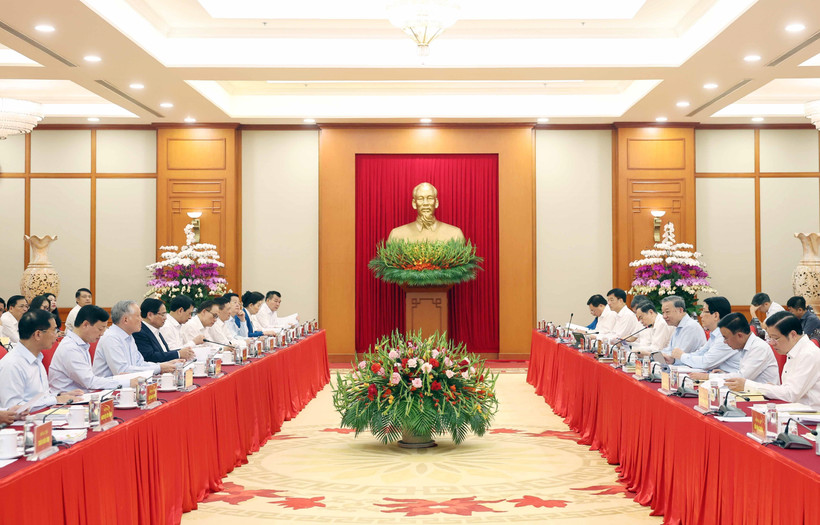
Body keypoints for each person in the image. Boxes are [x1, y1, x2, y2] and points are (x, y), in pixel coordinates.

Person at [725, 312, 820, 409]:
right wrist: (773, 388)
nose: (771, 343)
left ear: (793, 335)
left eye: (775, 338)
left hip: (811, 417)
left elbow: (791, 395)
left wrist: (748, 385)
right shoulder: (794, 350)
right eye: (769, 338)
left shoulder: (808, 354)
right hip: (795, 410)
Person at [0, 309, 81, 410]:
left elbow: (37, 396)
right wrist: (55, 400)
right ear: (38, 334)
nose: (57, 336)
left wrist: (59, 395)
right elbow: (13, 409)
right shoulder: (12, 364)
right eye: (54, 330)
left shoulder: (36, 358)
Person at [49, 305, 136, 392]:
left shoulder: (81, 344)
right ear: (86, 324)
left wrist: (117, 379)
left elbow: (90, 379)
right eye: (100, 329)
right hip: (69, 401)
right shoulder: (70, 348)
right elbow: (90, 382)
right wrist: (125, 382)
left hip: (83, 395)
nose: (102, 334)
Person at [93, 300, 181, 377]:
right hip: (108, 391)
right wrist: (160, 368)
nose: (141, 320)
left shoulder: (129, 336)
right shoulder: (111, 338)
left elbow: (140, 364)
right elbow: (122, 371)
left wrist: (165, 365)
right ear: (126, 320)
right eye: (138, 316)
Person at [690, 312, 779, 385]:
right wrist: (725, 374)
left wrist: (707, 376)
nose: (725, 341)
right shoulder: (743, 346)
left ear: (739, 335)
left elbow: (741, 377)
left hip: (765, 399)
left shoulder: (759, 348)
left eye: (726, 338)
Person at [663, 296, 740, 372]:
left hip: (731, 380)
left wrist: (682, 356)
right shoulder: (715, 334)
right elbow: (700, 353)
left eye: (704, 311)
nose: (701, 315)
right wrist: (674, 360)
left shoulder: (726, 337)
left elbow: (706, 362)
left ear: (716, 315)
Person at [387, 182, 465, 242]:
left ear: (436, 202)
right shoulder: (396, 235)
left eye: (430, 198)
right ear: (414, 203)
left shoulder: (455, 235)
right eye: (420, 198)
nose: (425, 203)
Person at [133, 298, 195, 363]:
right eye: (162, 314)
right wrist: (178, 354)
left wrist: (182, 352)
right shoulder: (140, 332)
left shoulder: (155, 330)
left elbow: (164, 352)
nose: (165, 318)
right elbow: (149, 356)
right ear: (150, 315)